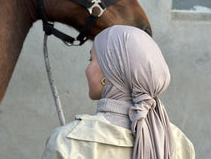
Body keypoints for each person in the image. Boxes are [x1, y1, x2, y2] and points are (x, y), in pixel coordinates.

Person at [42, 25, 195, 159]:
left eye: (91, 60)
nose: (87, 69)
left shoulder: (67, 142)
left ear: (108, 73)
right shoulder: (179, 142)